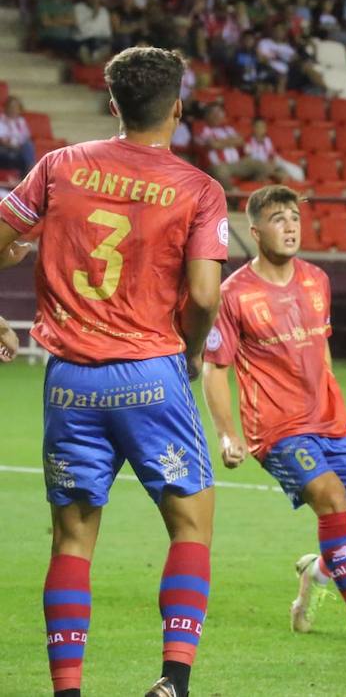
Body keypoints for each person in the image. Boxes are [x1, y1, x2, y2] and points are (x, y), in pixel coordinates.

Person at [0, 46, 228, 697]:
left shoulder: (59, 166)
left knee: (71, 540)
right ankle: (173, 681)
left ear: (111, 106)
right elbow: (207, 294)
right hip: (149, 373)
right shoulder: (197, 190)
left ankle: (67, 689)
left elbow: (3, 236)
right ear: (178, 110)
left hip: (69, 376)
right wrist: (190, 350)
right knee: (190, 526)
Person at [202, 186, 346, 650]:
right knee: (331, 497)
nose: (290, 225)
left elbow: (321, 347)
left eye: (294, 217)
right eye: (278, 218)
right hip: (277, 429)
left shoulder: (317, 279)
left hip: (331, 421)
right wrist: (227, 435)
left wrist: (332, 397)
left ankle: (320, 570)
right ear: (254, 232)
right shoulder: (233, 295)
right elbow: (215, 371)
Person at [0, 95, 36, 174]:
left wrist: (20, 145)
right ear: (6, 108)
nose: (13, 109)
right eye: (11, 107)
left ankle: (30, 171)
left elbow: (26, 138)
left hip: (19, 149)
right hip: (5, 149)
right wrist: (16, 145)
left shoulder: (21, 121)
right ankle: (32, 172)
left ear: (20, 109)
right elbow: (2, 141)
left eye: (16, 107)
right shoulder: (1, 120)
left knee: (28, 146)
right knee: (25, 154)